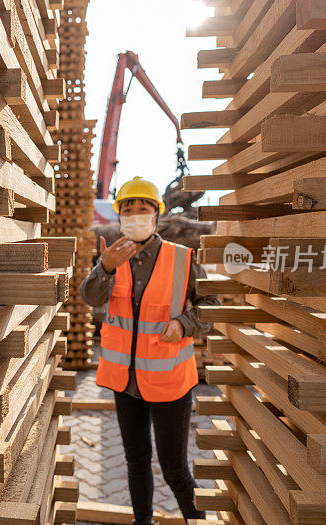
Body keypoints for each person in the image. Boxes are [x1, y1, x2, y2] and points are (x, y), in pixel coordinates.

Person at [80, 176, 219, 524]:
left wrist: (183, 325)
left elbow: (211, 307)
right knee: (136, 460)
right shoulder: (113, 256)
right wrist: (105, 266)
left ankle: (196, 521)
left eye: (144, 209)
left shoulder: (182, 259)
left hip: (169, 380)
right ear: (120, 218)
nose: (136, 215)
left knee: (174, 468)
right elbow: (89, 297)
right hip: (126, 382)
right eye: (129, 210)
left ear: (156, 216)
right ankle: (143, 522)